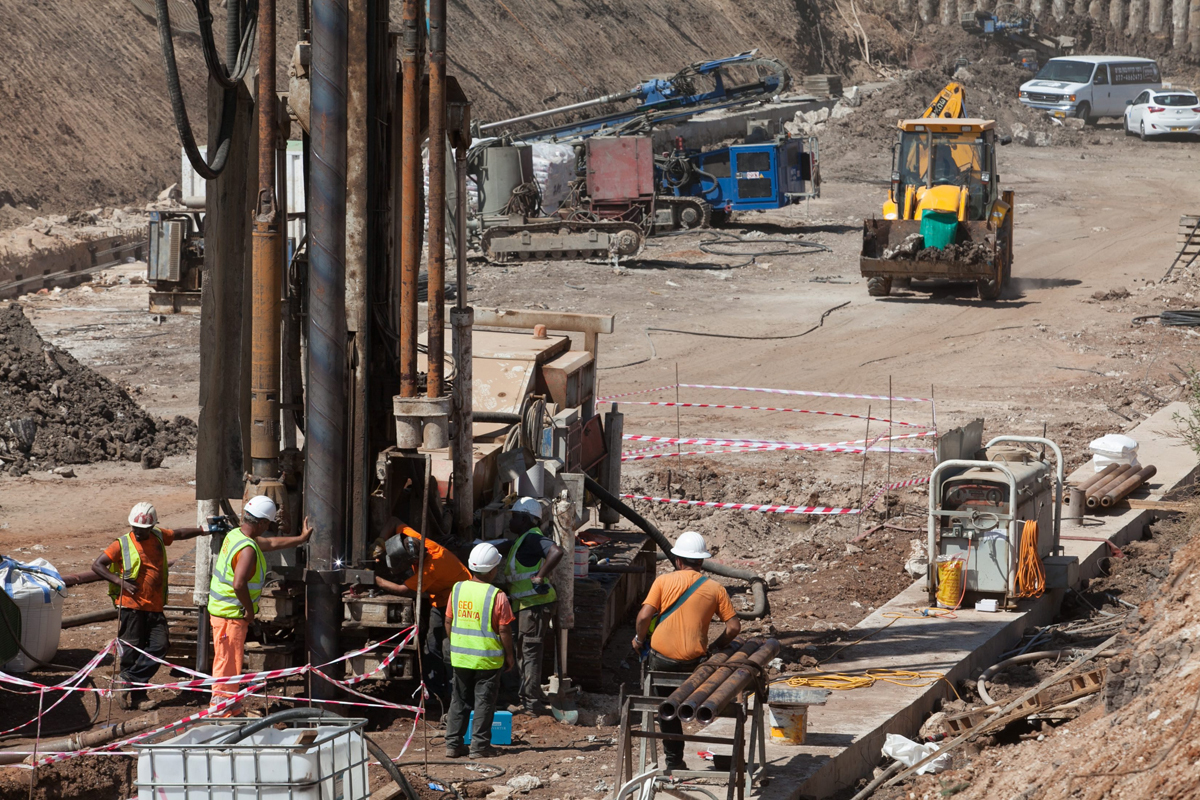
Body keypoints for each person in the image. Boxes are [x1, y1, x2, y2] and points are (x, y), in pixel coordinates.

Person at [632, 531, 741, 772]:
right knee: (689, 703)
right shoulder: (715, 588)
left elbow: (643, 616)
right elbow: (734, 627)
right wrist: (716, 646)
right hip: (695, 664)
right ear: (701, 562)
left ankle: (674, 762)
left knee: (666, 711)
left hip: (661, 661)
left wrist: (640, 639)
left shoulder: (663, 581)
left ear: (678, 560)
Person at [91, 502, 215, 710]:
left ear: (151, 527)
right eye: (135, 529)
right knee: (132, 651)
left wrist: (204, 530)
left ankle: (128, 680)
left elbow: (179, 533)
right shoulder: (122, 544)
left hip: (155, 606)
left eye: (143, 529)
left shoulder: (157, 536)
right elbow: (97, 565)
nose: (138, 533)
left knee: (160, 646)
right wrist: (119, 582)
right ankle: (138, 697)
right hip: (131, 607)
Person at [206, 495, 313, 716]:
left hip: (223, 613)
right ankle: (221, 712)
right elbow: (238, 583)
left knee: (230, 663)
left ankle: (231, 706)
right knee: (226, 666)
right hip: (230, 615)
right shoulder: (248, 549)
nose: (268, 530)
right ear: (263, 523)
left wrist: (301, 539)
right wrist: (249, 610)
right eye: (268, 525)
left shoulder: (236, 535)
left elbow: (272, 543)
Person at [365, 518, 471, 698]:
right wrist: (380, 542)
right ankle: (434, 689)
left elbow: (403, 590)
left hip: (458, 599)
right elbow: (392, 521)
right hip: (440, 598)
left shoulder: (432, 567)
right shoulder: (414, 538)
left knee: (447, 648)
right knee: (431, 644)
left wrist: (373, 579)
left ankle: (454, 694)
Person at [445, 543, 517, 760]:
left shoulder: (457, 589)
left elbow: (449, 621)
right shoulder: (498, 596)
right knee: (484, 703)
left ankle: (453, 746)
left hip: (460, 658)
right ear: (493, 569)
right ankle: (479, 747)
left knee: (458, 701)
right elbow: (504, 629)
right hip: (487, 660)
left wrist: (457, 642)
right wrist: (510, 656)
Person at [496, 496, 564, 715]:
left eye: (514, 517)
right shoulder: (523, 539)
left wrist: (540, 577)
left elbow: (557, 551)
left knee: (530, 653)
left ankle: (531, 703)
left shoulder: (532, 538)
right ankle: (524, 696)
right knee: (522, 652)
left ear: (526, 519)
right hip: (526, 605)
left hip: (535, 605)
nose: (510, 521)